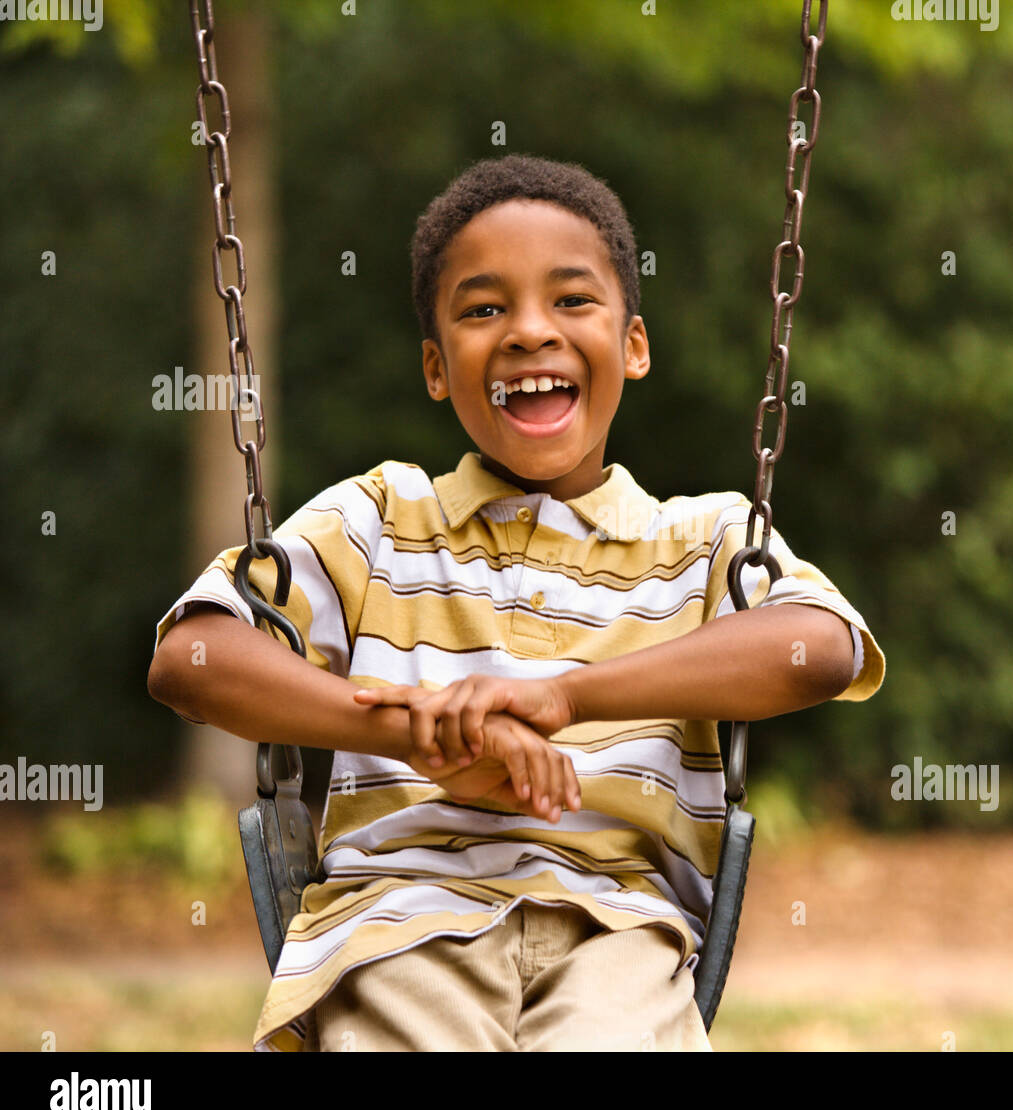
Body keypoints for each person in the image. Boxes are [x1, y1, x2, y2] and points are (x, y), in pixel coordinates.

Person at [147, 153, 885, 1052]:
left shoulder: (701, 542)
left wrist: (566, 696)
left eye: (572, 300)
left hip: (620, 931)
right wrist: (415, 727)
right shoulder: (379, 520)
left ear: (634, 345)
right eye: (483, 308)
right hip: (398, 923)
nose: (530, 331)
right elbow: (190, 657)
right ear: (435, 364)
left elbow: (824, 648)